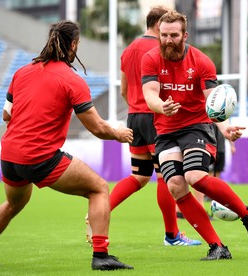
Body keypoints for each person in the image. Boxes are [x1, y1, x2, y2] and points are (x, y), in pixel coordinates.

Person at [0, 20, 133, 271]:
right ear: (73, 44)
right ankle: (101, 255)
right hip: (39, 156)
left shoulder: (21, 72)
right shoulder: (71, 80)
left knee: (12, 203)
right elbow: (97, 128)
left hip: (10, 156)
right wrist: (119, 134)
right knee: (98, 188)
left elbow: (5, 115)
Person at [141, 10, 248, 260]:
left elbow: (214, 102)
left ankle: (247, 214)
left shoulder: (201, 61)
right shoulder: (151, 58)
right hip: (165, 130)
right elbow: (150, 94)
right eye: (164, 35)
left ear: (185, 35)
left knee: (194, 175)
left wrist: (224, 128)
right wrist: (161, 107)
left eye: (174, 35)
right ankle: (218, 247)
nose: (168, 40)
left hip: (197, 126)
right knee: (175, 185)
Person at [86, 6, 200, 247]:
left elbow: (124, 91)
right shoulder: (160, 49)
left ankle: (97, 210)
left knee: (138, 176)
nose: (169, 35)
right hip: (158, 117)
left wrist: (137, 109)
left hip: (134, 117)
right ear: (160, 25)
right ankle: (172, 235)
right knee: (166, 177)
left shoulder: (128, 50)